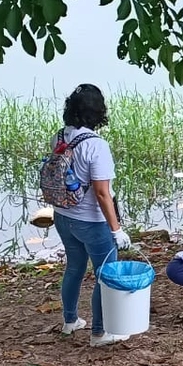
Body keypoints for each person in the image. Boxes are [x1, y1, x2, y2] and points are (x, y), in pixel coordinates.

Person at [51, 84, 132, 348]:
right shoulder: (96, 146)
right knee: (104, 275)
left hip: (63, 215)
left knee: (74, 267)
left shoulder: (60, 137)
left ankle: (70, 321)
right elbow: (101, 193)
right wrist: (116, 230)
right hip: (91, 222)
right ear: (98, 111)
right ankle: (100, 332)